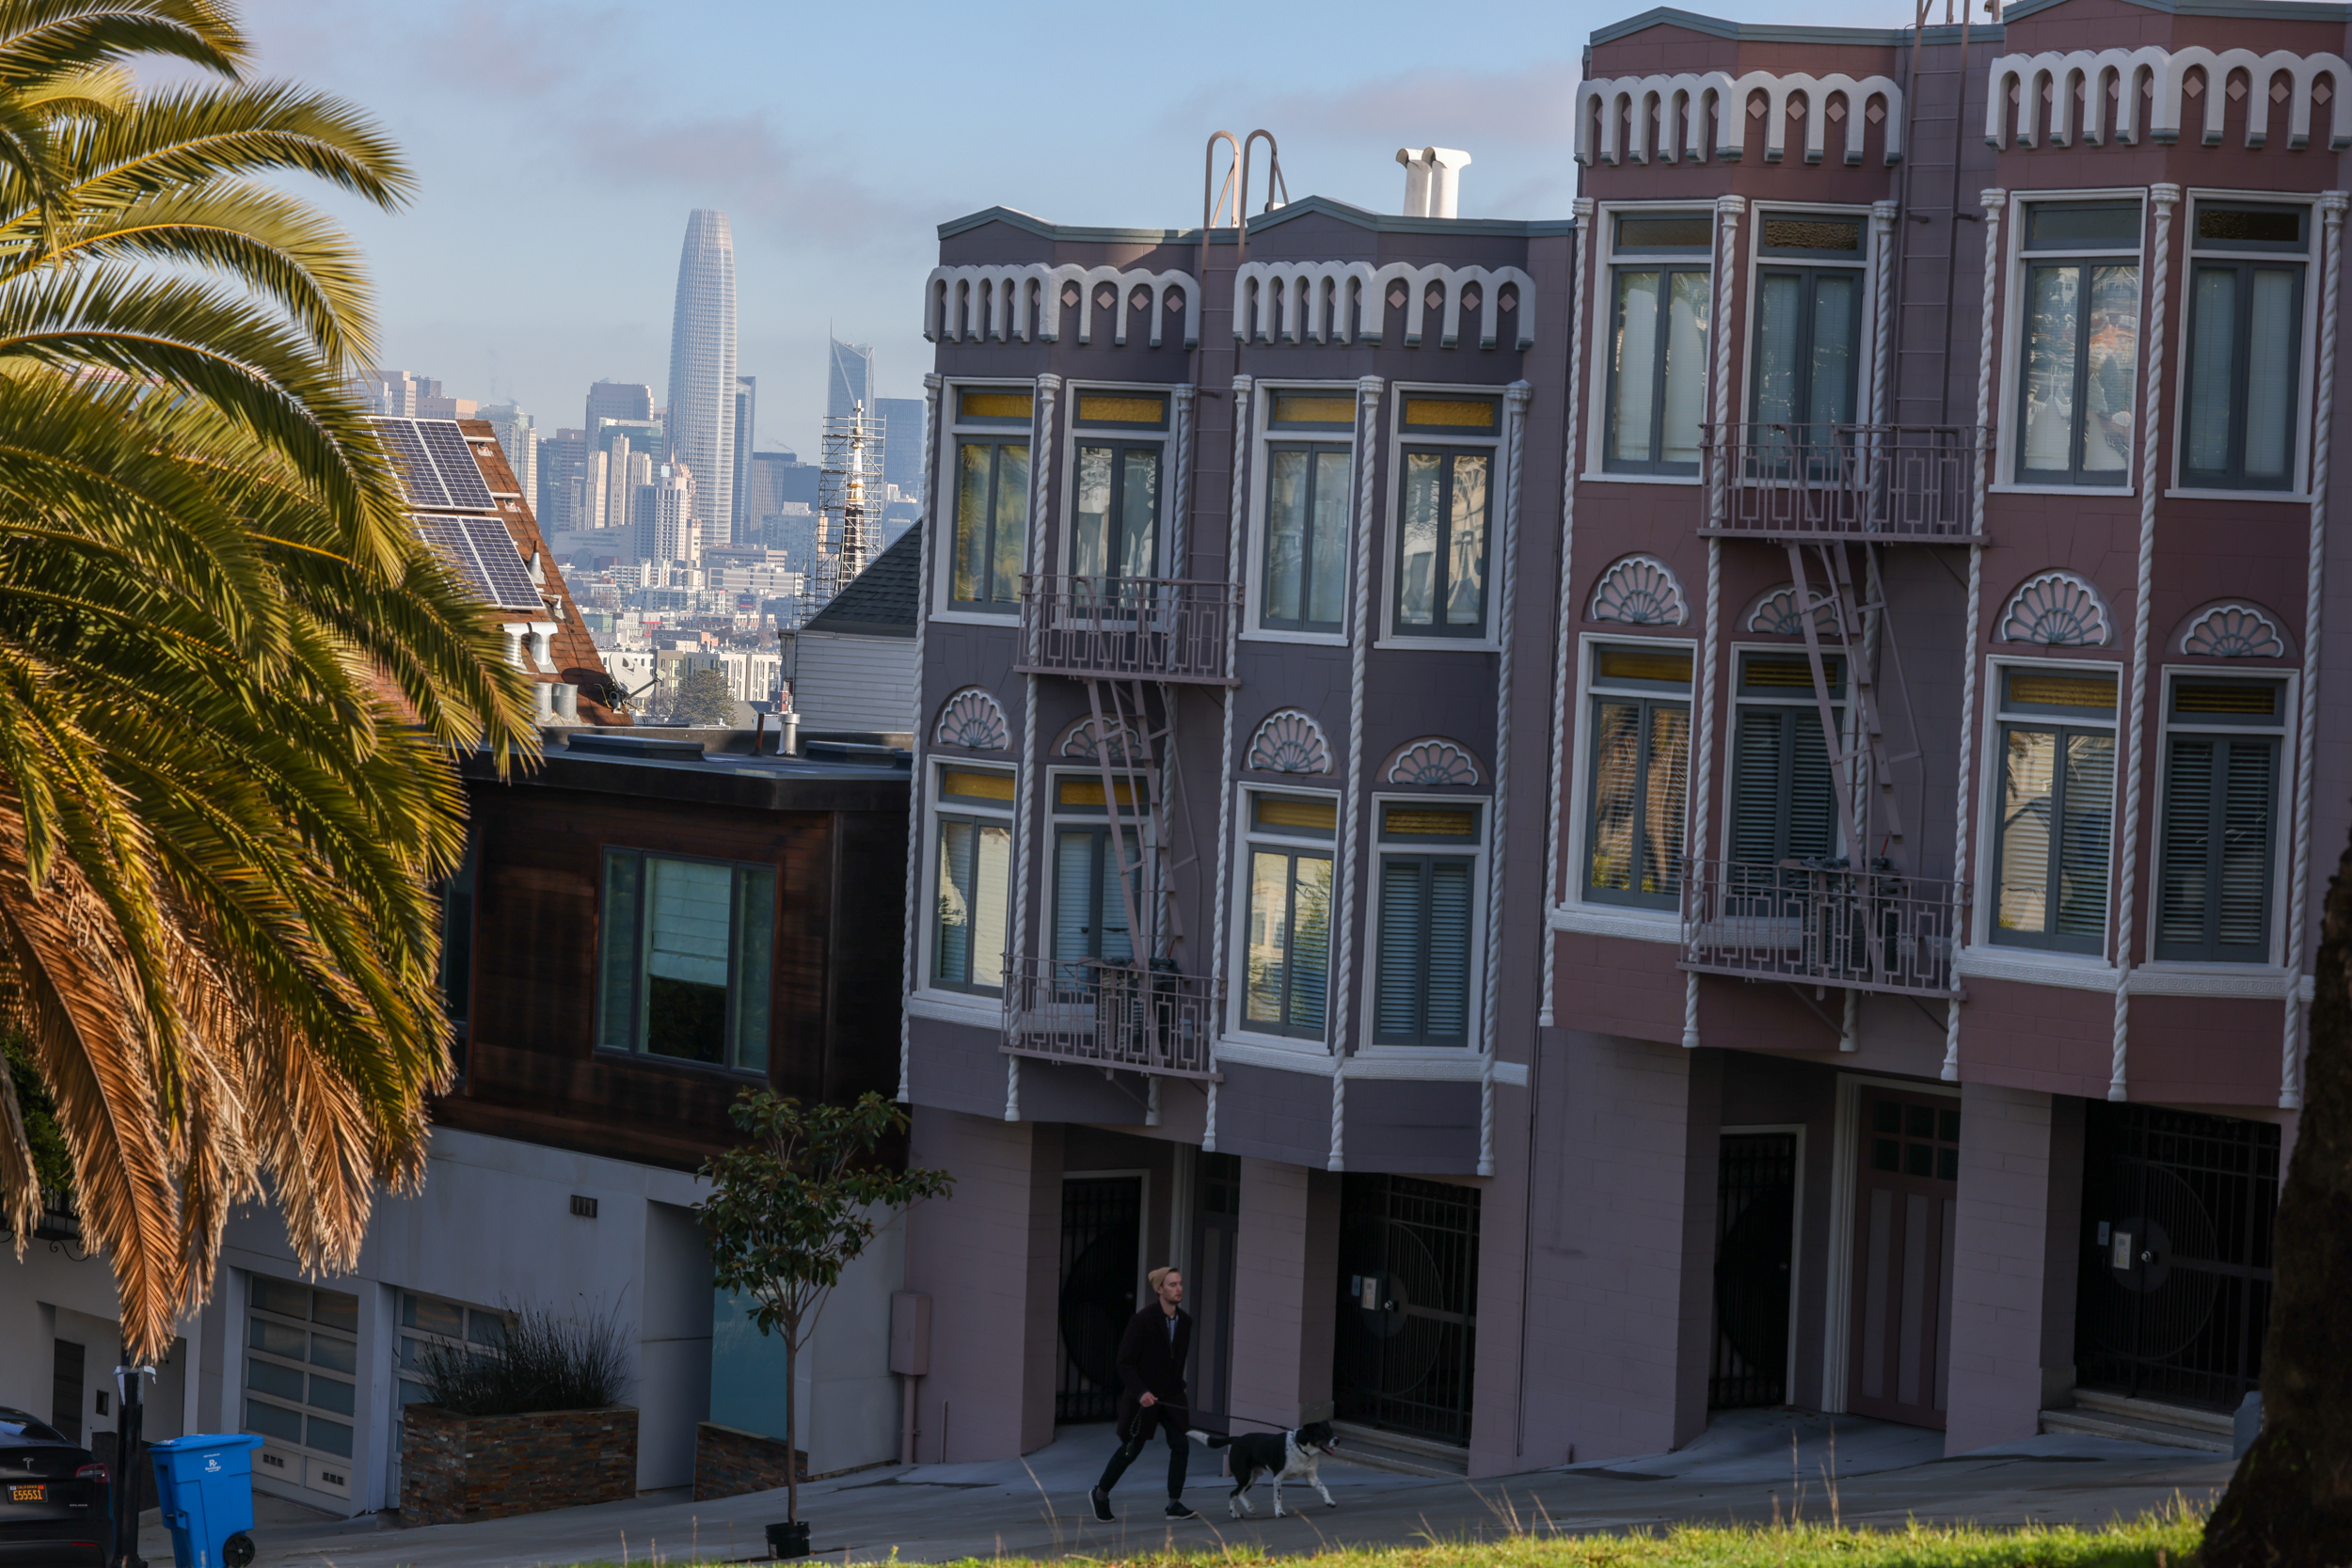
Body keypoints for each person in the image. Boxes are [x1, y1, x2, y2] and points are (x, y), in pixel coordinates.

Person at [1089, 1265, 1196, 1521]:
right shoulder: (1142, 1320)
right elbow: (1124, 1362)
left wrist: (1177, 1389)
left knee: (1180, 1444)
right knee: (1131, 1449)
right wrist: (1140, 1393)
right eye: (1172, 1284)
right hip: (1143, 1397)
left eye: (1180, 1283)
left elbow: (1176, 1361)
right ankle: (1100, 1494)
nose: (1178, 1288)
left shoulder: (1186, 1322)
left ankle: (1174, 1504)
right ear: (1159, 1290)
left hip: (1171, 1396)